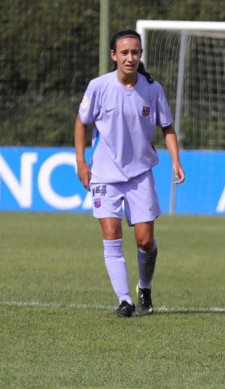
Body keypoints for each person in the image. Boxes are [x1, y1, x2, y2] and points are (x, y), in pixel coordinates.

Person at [75, 29, 185, 318]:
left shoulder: (152, 89)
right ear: (113, 56)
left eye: (135, 52)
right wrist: (81, 162)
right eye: (124, 52)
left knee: (145, 241)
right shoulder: (98, 87)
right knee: (112, 233)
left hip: (140, 174)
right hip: (104, 174)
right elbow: (81, 122)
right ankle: (125, 301)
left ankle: (144, 288)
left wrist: (175, 160)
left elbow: (167, 127)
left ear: (140, 55)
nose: (130, 57)